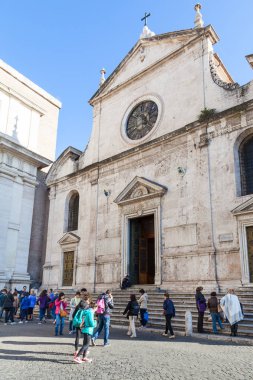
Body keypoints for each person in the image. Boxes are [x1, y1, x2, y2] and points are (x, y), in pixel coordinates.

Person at [74, 298, 97, 364]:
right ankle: (77, 357)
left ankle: (84, 357)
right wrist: (95, 322)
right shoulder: (90, 312)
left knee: (86, 344)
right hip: (88, 330)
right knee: (86, 345)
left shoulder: (87, 311)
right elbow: (91, 323)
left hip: (85, 329)